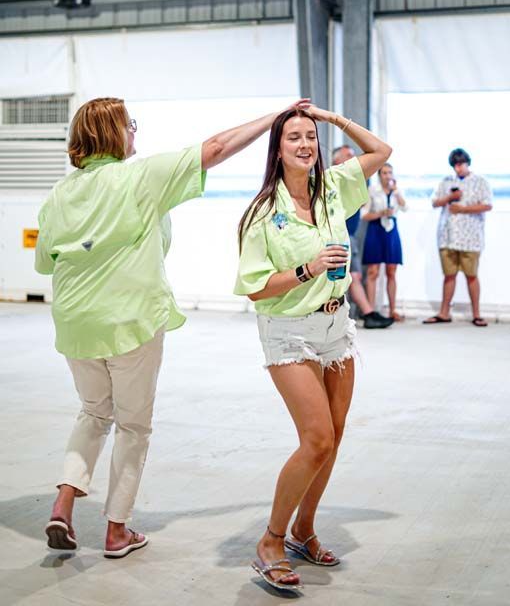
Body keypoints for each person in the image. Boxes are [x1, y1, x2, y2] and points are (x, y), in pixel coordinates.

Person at [35, 95, 309, 558]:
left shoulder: (61, 192)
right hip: (129, 319)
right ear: (113, 134)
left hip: (75, 321)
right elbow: (218, 146)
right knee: (133, 426)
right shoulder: (140, 176)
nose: (135, 132)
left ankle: (63, 503)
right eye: (130, 125)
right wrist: (275, 118)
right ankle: (116, 530)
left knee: (93, 412)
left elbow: (45, 261)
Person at [234, 106, 391, 591]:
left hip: (335, 325)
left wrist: (332, 117)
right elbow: (256, 287)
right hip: (288, 330)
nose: (304, 144)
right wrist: (309, 269)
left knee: (335, 435)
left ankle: (304, 530)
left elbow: (382, 152)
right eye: (293, 138)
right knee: (317, 438)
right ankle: (271, 541)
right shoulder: (262, 213)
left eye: (310, 136)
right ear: (277, 150)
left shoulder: (333, 188)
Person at [423, 148, 492, 327]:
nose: (458, 168)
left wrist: (463, 208)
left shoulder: (480, 181)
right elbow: (434, 202)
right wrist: (450, 197)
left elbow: (487, 205)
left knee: (471, 275)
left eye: (460, 164)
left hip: (471, 236)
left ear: (467, 162)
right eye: (455, 165)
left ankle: (477, 314)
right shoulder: (446, 181)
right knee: (449, 275)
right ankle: (444, 313)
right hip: (447, 236)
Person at [332, 145, 393, 329]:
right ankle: (367, 313)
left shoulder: (353, 180)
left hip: (350, 236)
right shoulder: (332, 180)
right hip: (337, 236)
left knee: (354, 275)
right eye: (348, 155)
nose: (353, 158)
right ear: (337, 160)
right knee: (348, 276)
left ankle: (367, 313)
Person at [361, 163, 407, 321]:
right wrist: (380, 213)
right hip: (375, 228)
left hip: (391, 230)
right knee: (373, 271)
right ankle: (371, 311)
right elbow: (364, 215)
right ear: (379, 175)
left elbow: (405, 207)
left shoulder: (396, 191)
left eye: (390, 173)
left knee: (391, 271)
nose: (388, 176)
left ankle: (393, 310)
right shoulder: (372, 190)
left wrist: (396, 192)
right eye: (385, 173)